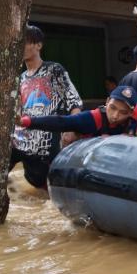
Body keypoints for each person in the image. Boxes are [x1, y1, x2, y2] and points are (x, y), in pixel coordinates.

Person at [11, 25, 83, 189]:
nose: (21, 47)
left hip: (47, 142)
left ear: (38, 45)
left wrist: (71, 128)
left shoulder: (54, 70)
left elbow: (73, 100)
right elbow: (19, 110)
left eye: (26, 42)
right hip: (24, 140)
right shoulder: (21, 78)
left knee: (49, 188)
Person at [16, 86, 137, 138]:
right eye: (112, 108)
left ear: (130, 113)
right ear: (107, 101)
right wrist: (27, 121)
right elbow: (62, 121)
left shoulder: (134, 117)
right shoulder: (93, 118)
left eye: (122, 112)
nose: (115, 115)